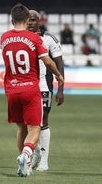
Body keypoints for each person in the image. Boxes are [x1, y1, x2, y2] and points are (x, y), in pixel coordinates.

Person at [0, 3, 64, 177]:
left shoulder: (4, 38)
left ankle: (26, 163)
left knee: (21, 129)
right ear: (27, 20)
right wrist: (58, 76)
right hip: (31, 89)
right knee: (35, 128)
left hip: (12, 91)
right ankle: (26, 155)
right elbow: (48, 61)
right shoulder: (35, 39)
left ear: (12, 20)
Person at [27, 10, 65, 171]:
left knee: (42, 122)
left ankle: (44, 160)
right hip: (25, 87)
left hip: (43, 86)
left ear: (39, 22)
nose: (30, 23)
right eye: (28, 20)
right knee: (26, 124)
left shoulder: (48, 39)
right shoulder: (21, 37)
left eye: (33, 20)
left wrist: (61, 89)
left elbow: (59, 62)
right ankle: (34, 152)